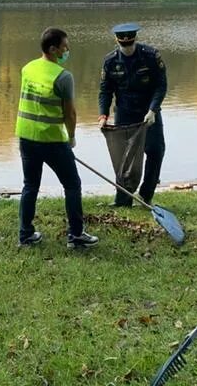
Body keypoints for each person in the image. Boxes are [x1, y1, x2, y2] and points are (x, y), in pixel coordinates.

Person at [15, 28, 99, 249]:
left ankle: (25, 234)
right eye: (64, 47)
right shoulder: (63, 77)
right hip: (52, 140)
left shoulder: (27, 68)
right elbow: (70, 113)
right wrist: (71, 137)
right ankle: (76, 235)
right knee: (72, 184)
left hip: (26, 136)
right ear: (53, 49)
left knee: (30, 185)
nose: (67, 50)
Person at [97, 22, 168, 205]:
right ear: (117, 41)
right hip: (125, 112)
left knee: (155, 151)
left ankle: (145, 195)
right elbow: (105, 91)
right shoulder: (110, 61)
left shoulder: (151, 56)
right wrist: (103, 115)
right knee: (125, 157)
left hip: (148, 112)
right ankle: (123, 199)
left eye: (130, 44)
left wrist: (153, 109)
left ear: (135, 39)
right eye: (123, 45)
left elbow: (161, 85)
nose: (127, 47)